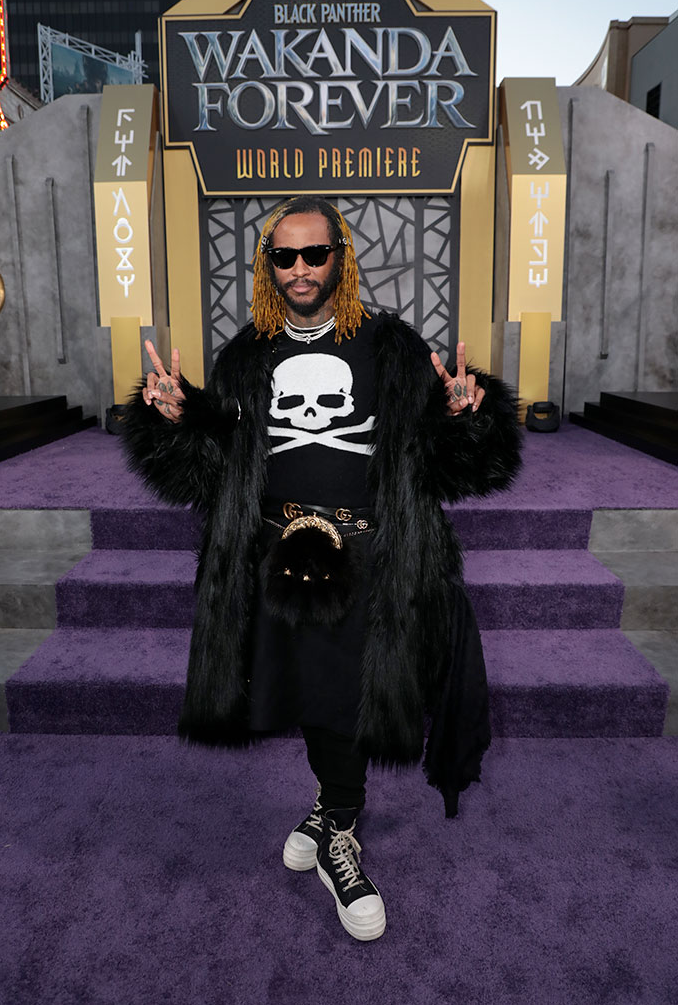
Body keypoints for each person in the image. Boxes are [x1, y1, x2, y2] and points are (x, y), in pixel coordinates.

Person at [123, 195, 521, 942]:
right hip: (279, 555)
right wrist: (175, 422)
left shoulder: (391, 349)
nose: (300, 269)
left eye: (314, 253)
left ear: (342, 258)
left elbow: (451, 468)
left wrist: (466, 417)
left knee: (345, 695)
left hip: (369, 555)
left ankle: (338, 829)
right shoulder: (246, 356)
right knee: (309, 694)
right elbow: (212, 474)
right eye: (285, 256)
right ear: (267, 265)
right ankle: (333, 804)